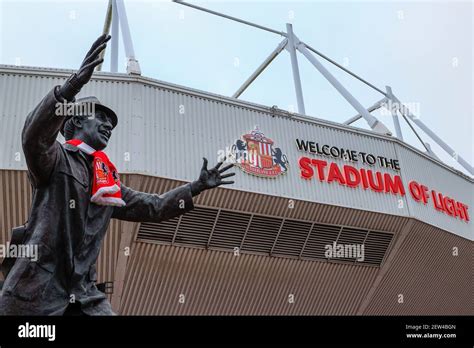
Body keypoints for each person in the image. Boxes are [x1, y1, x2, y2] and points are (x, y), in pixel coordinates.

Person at [0, 34, 234, 315]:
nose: (108, 125)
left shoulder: (108, 183)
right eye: (100, 118)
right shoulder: (56, 159)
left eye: (111, 123)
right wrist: (73, 85)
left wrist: (194, 188)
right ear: (74, 121)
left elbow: (154, 206)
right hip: (37, 290)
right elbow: (33, 137)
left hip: (84, 295)